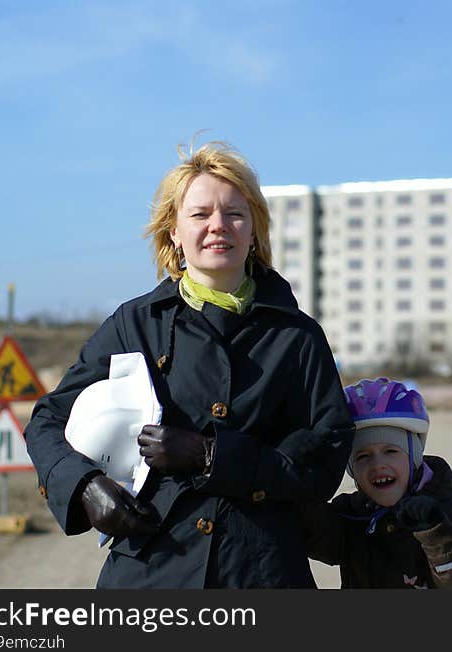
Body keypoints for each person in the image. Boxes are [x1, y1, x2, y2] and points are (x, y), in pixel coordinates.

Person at [25, 141, 355, 588]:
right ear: (174, 232)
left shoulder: (298, 336)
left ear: (254, 229)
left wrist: (211, 456)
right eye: (200, 214)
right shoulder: (134, 325)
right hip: (150, 574)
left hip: (261, 574)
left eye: (235, 213)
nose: (218, 226)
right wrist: (84, 486)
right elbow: (48, 420)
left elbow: (324, 459)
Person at [300, 377, 452, 588]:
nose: (378, 464)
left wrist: (438, 536)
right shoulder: (350, 516)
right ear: (351, 469)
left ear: (413, 457)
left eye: (391, 451)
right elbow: (311, 531)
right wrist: (300, 475)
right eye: (363, 456)